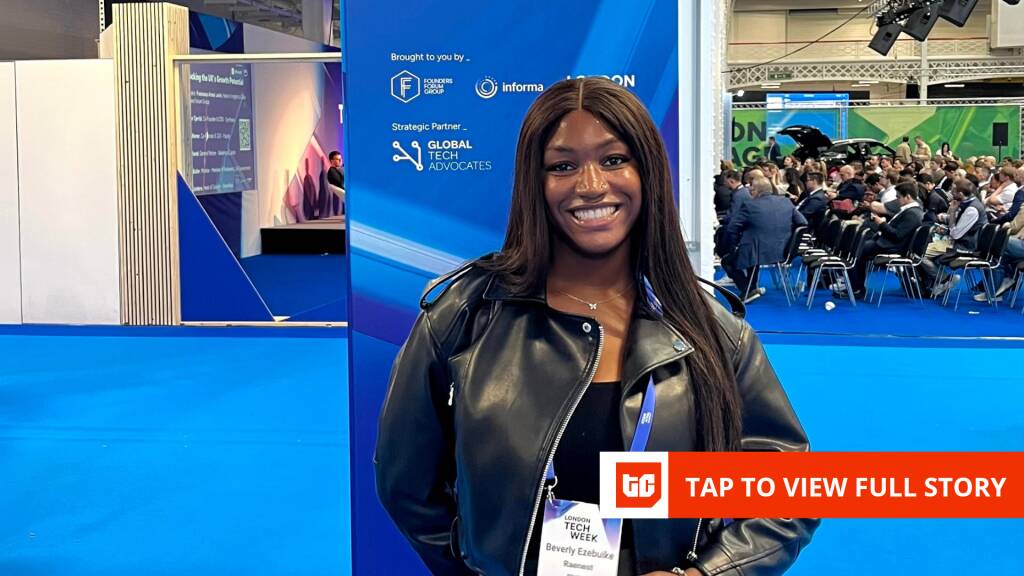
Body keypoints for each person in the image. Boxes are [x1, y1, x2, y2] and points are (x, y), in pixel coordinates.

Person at [375, 78, 817, 576]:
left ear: (647, 172)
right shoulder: (464, 316)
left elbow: (791, 491)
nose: (590, 185)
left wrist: (706, 574)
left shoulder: (712, 331)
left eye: (613, 159)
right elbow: (406, 485)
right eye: (562, 166)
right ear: (535, 182)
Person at [721, 177, 807, 302]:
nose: (749, 190)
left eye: (751, 187)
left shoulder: (749, 205)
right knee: (751, 252)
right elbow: (803, 223)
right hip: (783, 251)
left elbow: (731, 228)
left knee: (727, 261)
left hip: (756, 252)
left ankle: (747, 289)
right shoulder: (786, 202)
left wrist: (733, 247)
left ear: (756, 191)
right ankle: (752, 287)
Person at [843, 183, 924, 299]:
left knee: (857, 250)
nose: (897, 199)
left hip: (892, 246)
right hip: (887, 242)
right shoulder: (910, 211)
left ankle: (856, 288)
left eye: (898, 197)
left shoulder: (912, 213)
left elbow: (897, 236)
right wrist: (883, 224)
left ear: (908, 197)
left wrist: (882, 223)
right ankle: (854, 286)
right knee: (858, 246)